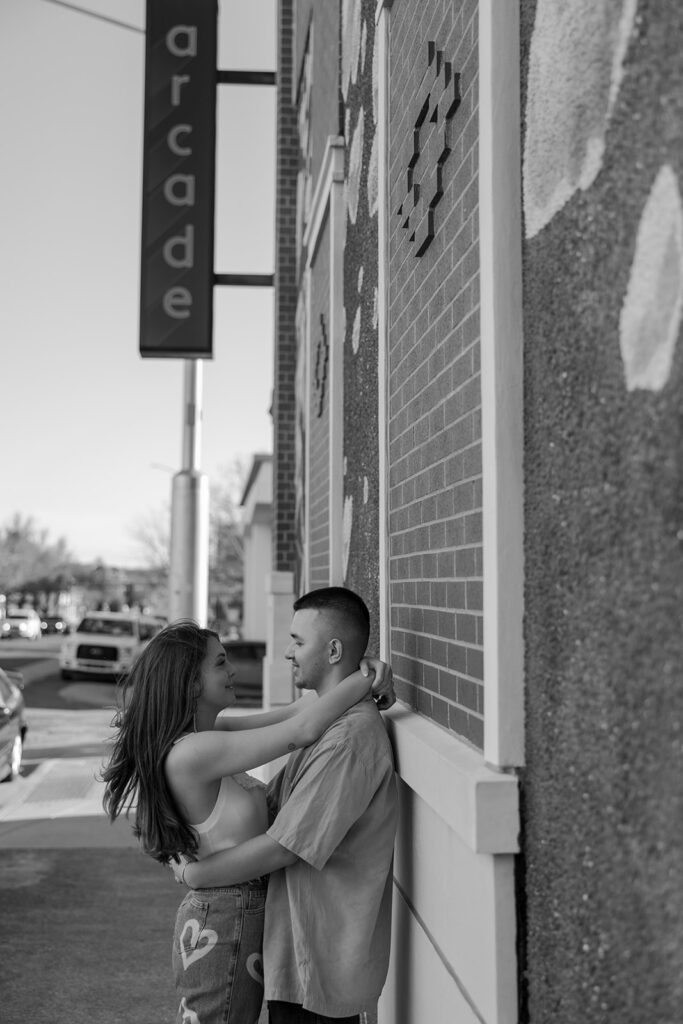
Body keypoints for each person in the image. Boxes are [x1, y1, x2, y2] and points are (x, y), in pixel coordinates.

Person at [101, 618, 393, 1024]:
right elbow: (303, 729)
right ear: (190, 682)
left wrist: (366, 670)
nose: (232, 669)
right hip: (220, 917)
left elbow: (298, 710)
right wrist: (367, 679)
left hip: (245, 909)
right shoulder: (193, 752)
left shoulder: (210, 734)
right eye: (220, 663)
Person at [174, 587, 399, 1024]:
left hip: (317, 964)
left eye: (298, 641)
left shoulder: (348, 740)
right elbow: (299, 723)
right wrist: (365, 676)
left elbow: (285, 844)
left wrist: (195, 873)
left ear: (333, 649)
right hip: (293, 953)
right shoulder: (320, 727)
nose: (286, 654)